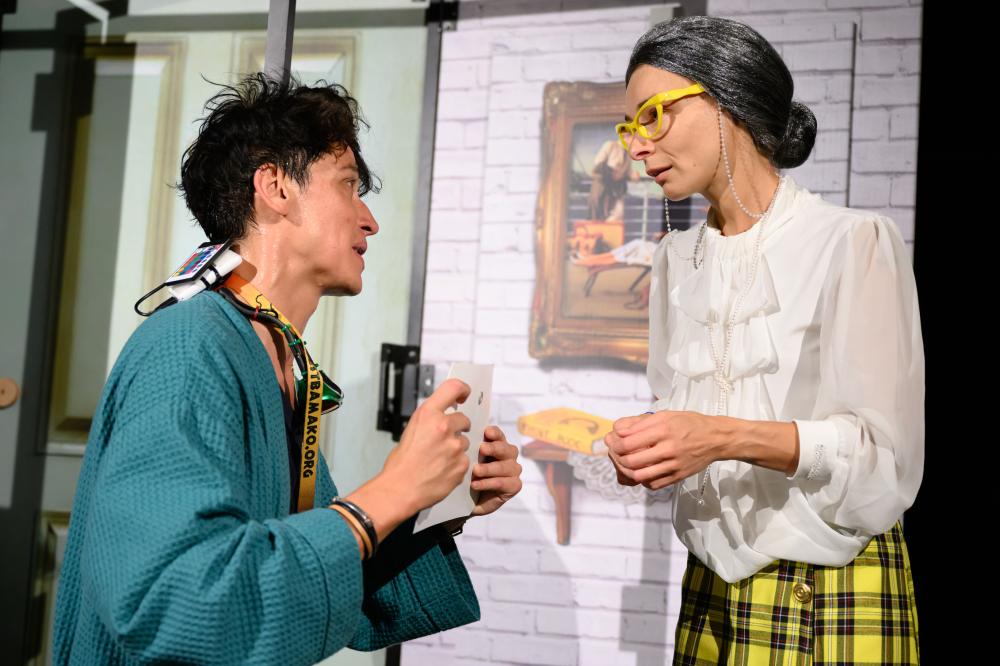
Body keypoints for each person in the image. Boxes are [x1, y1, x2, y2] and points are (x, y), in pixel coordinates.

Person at [53, 74, 523, 665]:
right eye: (348, 185)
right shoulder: (187, 348)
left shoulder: (280, 360)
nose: (369, 220)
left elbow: (300, 567)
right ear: (275, 186)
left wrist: (435, 499)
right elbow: (169, 600)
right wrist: (394, 488)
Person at [606, 17, 923, 664]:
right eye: (630, 125)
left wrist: (718, 437)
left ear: (729, 100)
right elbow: (684, 412)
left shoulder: (852, 242)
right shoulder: (674, 259)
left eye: (654, 115)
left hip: (827, 587)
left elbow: (882, 461)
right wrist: (653, 448)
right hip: (708, 589)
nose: (636, 146)